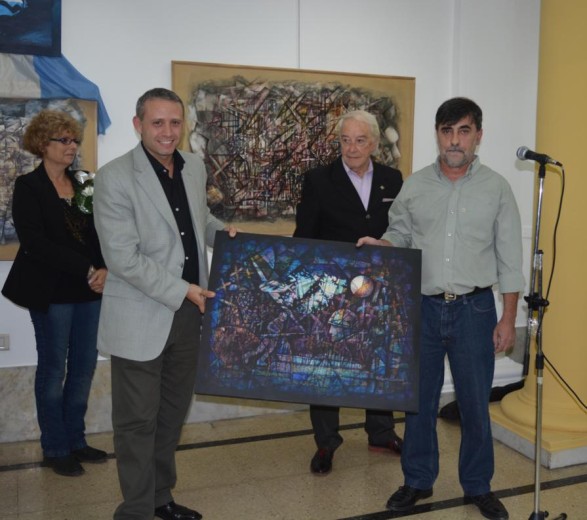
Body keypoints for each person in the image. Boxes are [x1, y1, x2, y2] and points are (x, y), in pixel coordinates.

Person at [358, 97, 524, 520]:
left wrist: (508, 318)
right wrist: (384, 245)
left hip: (475, 312)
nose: (454, 141)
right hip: (423, 309)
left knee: (474, 405)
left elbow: (509, 259)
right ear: (438, 135)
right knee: (419, 403)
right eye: (447, 131)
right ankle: (417, 480)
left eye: (463, 131)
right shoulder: (415, 185)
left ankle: (478, 485)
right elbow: (399, 232)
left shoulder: (497, 188)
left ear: (478, 136)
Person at [93, 88, 234, 520]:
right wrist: (183, 289)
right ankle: (135, 511)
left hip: (189, 314)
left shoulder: (193, 167)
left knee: (171, 416)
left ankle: (160, 498)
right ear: (138, 125)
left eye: (175, 123)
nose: (168, 132)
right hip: (142, 314)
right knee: (137, 423)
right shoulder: (115, 177)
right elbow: (122, 257)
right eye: (158, 123)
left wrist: (227, 238)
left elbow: (197, 220)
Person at [293, 109, 404, 476]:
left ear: (373, 143)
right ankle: (326, 442)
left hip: (379, 288)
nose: (352, 148)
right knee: (326, 365)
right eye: (345, 140)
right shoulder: (318, 180)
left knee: (377, 356)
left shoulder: (393, 179)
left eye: (360, 140)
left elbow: (400, 232)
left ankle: (381, 432)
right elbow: (304, 236)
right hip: (332, 289)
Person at [2, 110, 108, 477]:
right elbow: (36, 243)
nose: (71, 147)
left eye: (74, 140)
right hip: (51, 291)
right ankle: (55, 446)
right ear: (42, 144)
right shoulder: (28, 187)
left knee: (84, 367)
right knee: (53, 369)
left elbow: (99, 233)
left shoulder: (84, 182)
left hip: (90, 290)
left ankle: (76, 441)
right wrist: (87, 268)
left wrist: (104, 269)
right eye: (62, 140)